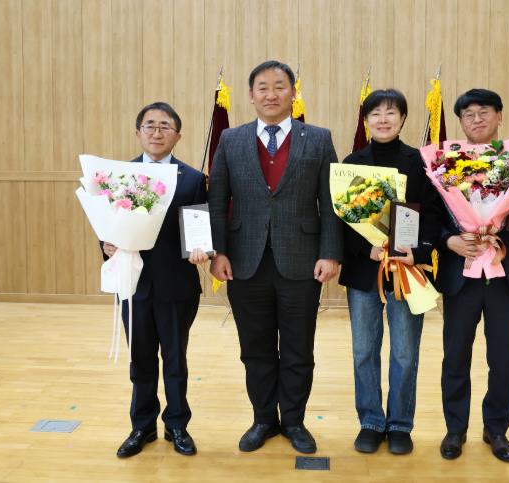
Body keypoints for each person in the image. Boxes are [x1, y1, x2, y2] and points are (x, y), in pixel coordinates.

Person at [208, 60, 343, 455]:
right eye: (263, 87)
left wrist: (330, 253)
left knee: (299, 348)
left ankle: (295, 421)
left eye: (279, 86)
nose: (271, 94)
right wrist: (218, 252)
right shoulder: (231, 139)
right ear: (251, 95)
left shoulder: (318, 138)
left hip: (302, 261)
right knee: (255, 348)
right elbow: (217, 200)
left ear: (293, 93)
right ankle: (263, 419)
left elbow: (330, 202)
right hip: (244, 262)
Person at [436, 89, 509, 463]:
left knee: (502, 359)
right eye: (468, 114)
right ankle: (455, 429)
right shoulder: (445, 163)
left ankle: (497, 429)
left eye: (483, 112)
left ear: (499, 116)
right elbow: (434, 220)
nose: (476, 119)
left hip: (507, 276)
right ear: (460, 121)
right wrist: (450, 241)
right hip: (462, 275)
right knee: (455, 357)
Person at [102, 102, 209, 458]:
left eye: (165, 126)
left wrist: (202, 249)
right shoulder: (119, 176)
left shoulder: (193, 179)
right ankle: (142, 426)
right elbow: (106, 225)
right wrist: (106, 244)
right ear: (138, 133)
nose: (157, 132)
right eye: (150, 125)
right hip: (133, 283)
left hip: (177, 284)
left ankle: (177, 425)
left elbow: (199, 227)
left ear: (178, 136)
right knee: (141, 360)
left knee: (175, 360)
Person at [338, 89, 442, 455]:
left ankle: (399, 424)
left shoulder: (420, 162)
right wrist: (363, 248)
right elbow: (342, 219)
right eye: (375, 113)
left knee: (405, 353)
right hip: (365, 271)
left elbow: (433, 215)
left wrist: (420, 251)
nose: (383, 119)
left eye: (391, 112)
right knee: (363, 350)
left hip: (407, 270)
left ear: (403, 118)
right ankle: (370, 421)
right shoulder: (352, 163)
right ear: (366, 120)